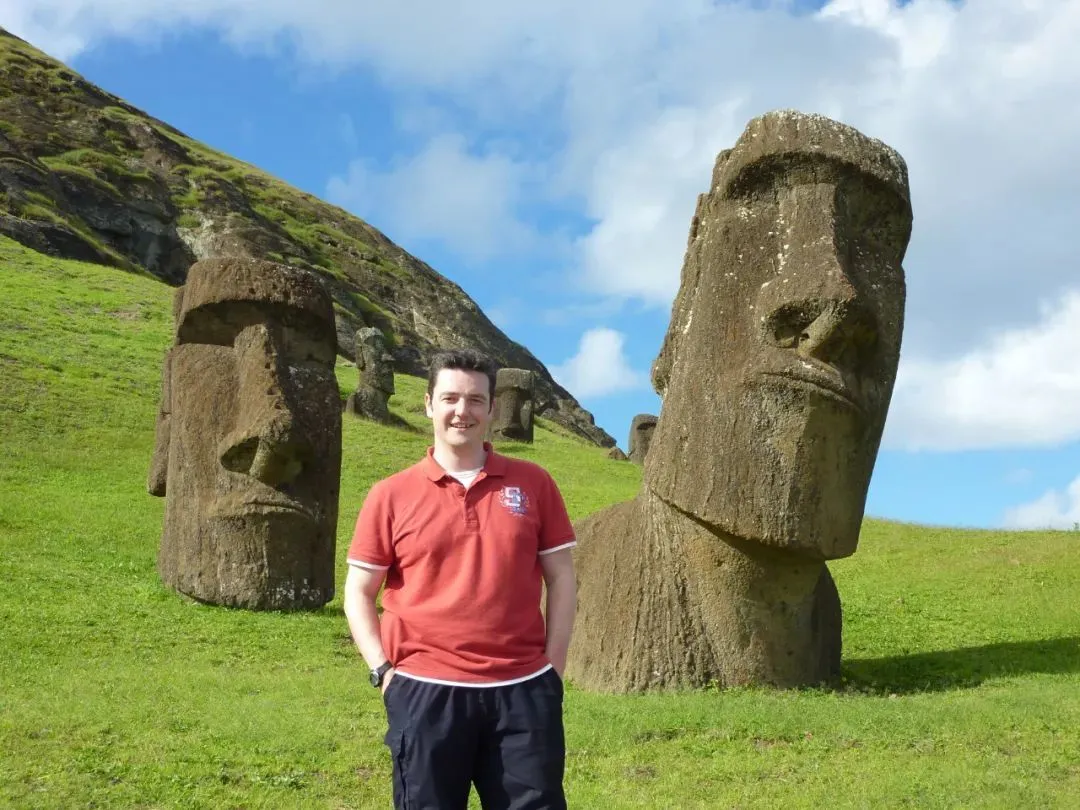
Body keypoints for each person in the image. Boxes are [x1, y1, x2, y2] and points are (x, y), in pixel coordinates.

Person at [343, 348, 577, 809]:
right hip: (424, 692)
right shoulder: (390, 494)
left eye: (475, 400)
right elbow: (359, 591)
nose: (461, 411)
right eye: (450, 398)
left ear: (491, 409)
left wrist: (554, 668)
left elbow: (563, 578)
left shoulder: (533, 483)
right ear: (429, 403)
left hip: (523, 692)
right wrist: (382, 671)